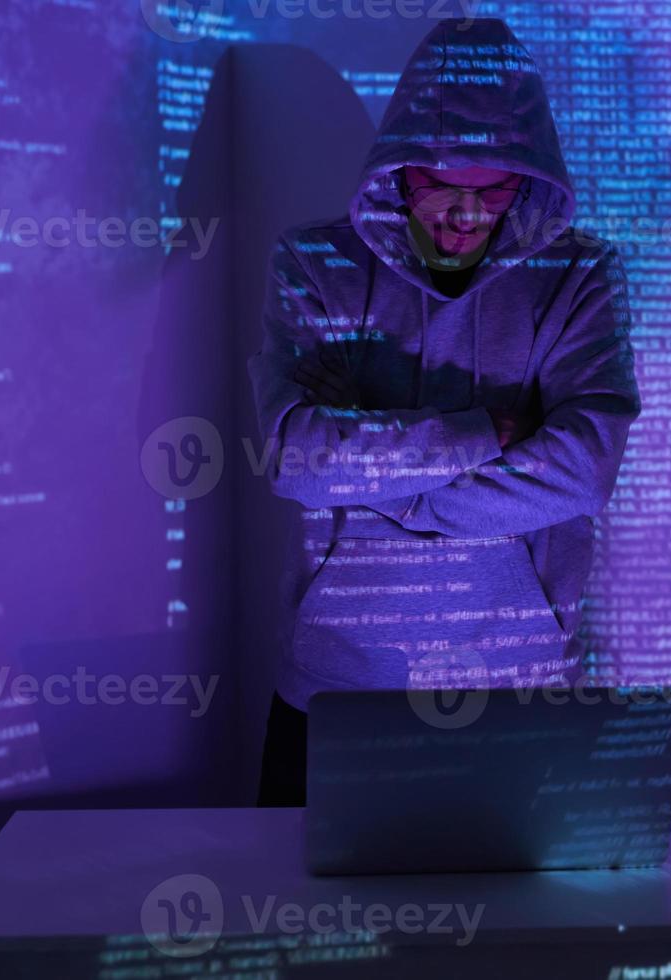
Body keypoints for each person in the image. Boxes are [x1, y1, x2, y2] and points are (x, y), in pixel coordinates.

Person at [247, 18, 640, 805]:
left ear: (527, 181)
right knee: (302, 924)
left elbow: (585, 466)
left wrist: (380, 486)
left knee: (525, 924)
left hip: (518, 680)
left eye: (491, 189)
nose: (464, 213)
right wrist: (477, 436)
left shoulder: (578, 272)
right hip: (337, 679)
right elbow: (294, 456)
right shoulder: (314, 263)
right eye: (439, 185)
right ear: (398, 173)